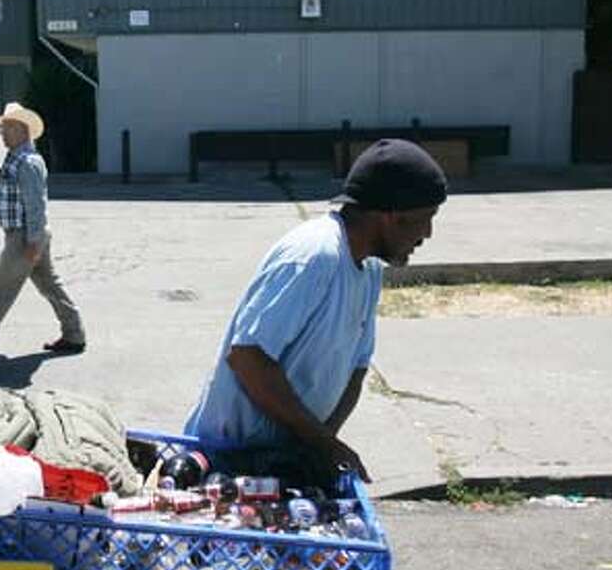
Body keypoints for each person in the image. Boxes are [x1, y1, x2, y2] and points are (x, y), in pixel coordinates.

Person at [182, 138, 447, 488]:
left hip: (282, 463)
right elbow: (247, 357)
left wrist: (319, 448)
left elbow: (356, 368)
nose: (427, 234)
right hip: (228, 463)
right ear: (390, 216)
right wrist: (323, 443)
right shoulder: (314, 258)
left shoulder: (368, 269)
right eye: (424, 220)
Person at [0, 102, 86, 356]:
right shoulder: (17, 158)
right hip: (30, 235)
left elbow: (35, 207)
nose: (0, 133)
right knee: (49, 285)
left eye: (5, 127)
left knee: (2, 288)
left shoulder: (27, 162)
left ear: (21, 130)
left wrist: (33, 244)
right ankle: (74, 335)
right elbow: (11, 202)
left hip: (24, 238)